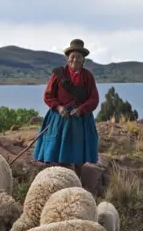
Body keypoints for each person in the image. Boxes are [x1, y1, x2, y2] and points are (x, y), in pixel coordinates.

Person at [32, 39, 100, 181]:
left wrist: (81, 109)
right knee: (58, 150)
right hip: (60, 116)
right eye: (72, 56)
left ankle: (78, 179)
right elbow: (48, 95)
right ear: (68, 58)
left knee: (79, 153)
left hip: (80, 118)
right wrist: (58, 107)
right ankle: (59, 178)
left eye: (79, 57)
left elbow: (94, 99)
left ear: (83, 60)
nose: (75, 59)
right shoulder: (58, 74)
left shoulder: (87, 77)